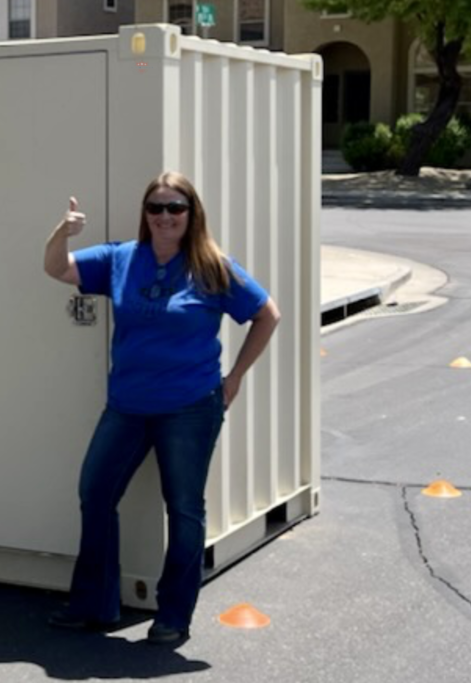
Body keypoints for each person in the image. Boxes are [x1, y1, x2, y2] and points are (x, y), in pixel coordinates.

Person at [42, 171, 281, 645]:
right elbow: (57, 269)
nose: (165, 216)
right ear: (145, 214)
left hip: (190, 407)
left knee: (185, 510)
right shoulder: (120, 258)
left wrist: (233, 378)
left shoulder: (212, 266)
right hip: (127, 406)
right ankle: (96, 605)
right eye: (156, 207)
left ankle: (173, 616)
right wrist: (61, 233)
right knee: (95, 493)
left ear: (192, 215)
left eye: (176, 208)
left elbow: (266, 314)